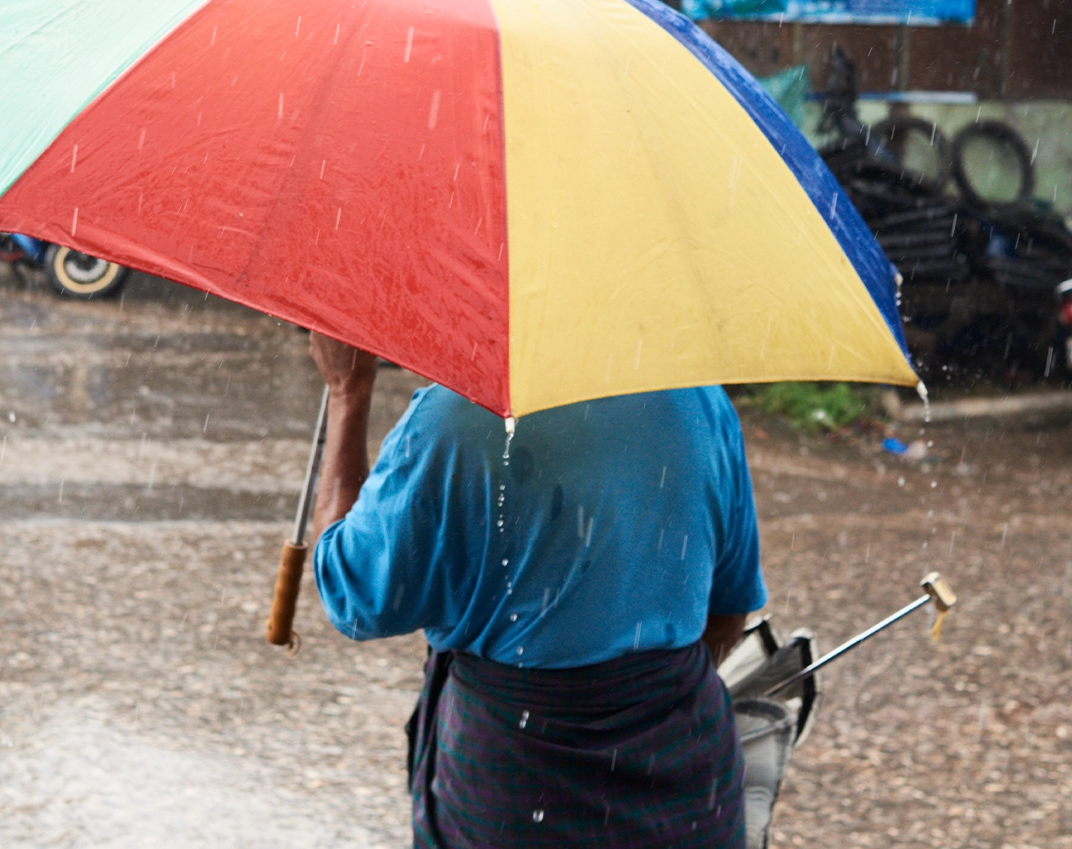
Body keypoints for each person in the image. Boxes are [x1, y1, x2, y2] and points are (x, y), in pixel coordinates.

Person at [308, 332, 766, 849]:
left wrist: (348, 394)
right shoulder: (696, 395)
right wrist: (637, 703)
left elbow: (352, 594)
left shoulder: (453, 417)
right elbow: (729, 611)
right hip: (686, 781)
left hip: (512, 789)